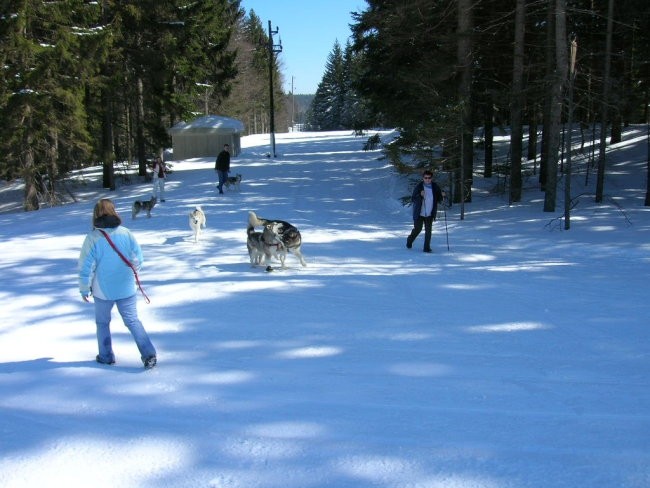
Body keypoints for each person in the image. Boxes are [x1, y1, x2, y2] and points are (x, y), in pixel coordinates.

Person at [78, 198, 157, 369]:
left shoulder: (92, 238)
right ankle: (149, 354)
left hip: (102, 290)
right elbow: (138, 259)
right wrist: (128, 274)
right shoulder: (126, 233)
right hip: (126, 287)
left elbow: (86, 266)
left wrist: (84, 288)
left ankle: (106, 356)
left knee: (102, 323)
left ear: (96, 214)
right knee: (133, 321)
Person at [406, 170, 445, 253]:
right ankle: (410, 240)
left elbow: (438, 198)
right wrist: (420, 195)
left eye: (429, 178)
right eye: (425, 178)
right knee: (418, 229)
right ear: (423, 178)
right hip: (419, 213)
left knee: (428, 231)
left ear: (431, 178)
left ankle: (426, 248)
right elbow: (413, 198)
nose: (427, 179)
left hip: (430, 213)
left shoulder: (435, 187)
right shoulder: (419, 187)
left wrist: (442, 195)